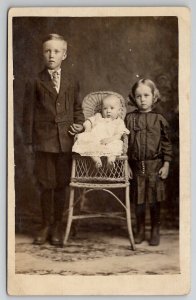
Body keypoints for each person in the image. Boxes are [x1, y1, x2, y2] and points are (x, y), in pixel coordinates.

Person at [23, 33, 84, 246]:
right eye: (48, 51)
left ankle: (58, 224)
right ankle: (45, 224)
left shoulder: (71, 80)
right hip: (44, 141)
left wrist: (80, 124)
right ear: (43, 53)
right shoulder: (35, 81)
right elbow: (28, 113)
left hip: (65, 141)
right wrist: (30, 142)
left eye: (56, 51)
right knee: (45, 183)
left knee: (61, 184)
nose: (51, 55)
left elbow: (77, 108)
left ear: (64, 54)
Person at [125, 78, 172, 246]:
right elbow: (123, 144)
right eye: (138, 96)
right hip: (136, 167)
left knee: (154, 201)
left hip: (155, 166)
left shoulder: (159, 119)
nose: (142, 99)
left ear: (154, 96)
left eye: (146, 95)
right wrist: (127, 165)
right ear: (134, 98)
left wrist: (166, 164)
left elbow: (166, 144)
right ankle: (139, 230)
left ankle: (154, 230)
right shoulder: (129, 119)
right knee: (138, 201)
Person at [72, 95, 129, 169]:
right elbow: (88, 121)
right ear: (101, 109)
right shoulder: (98, 116)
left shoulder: (119, 122)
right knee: (87, 143)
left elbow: (118, 135)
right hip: (96, 140)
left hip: (110, 141)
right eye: (105, 108)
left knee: (116, 144)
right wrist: (88, 129)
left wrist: (109, 140)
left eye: (112, 108)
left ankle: (111, 161)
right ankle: (97, 160)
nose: (108, 111)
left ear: (119, 111)